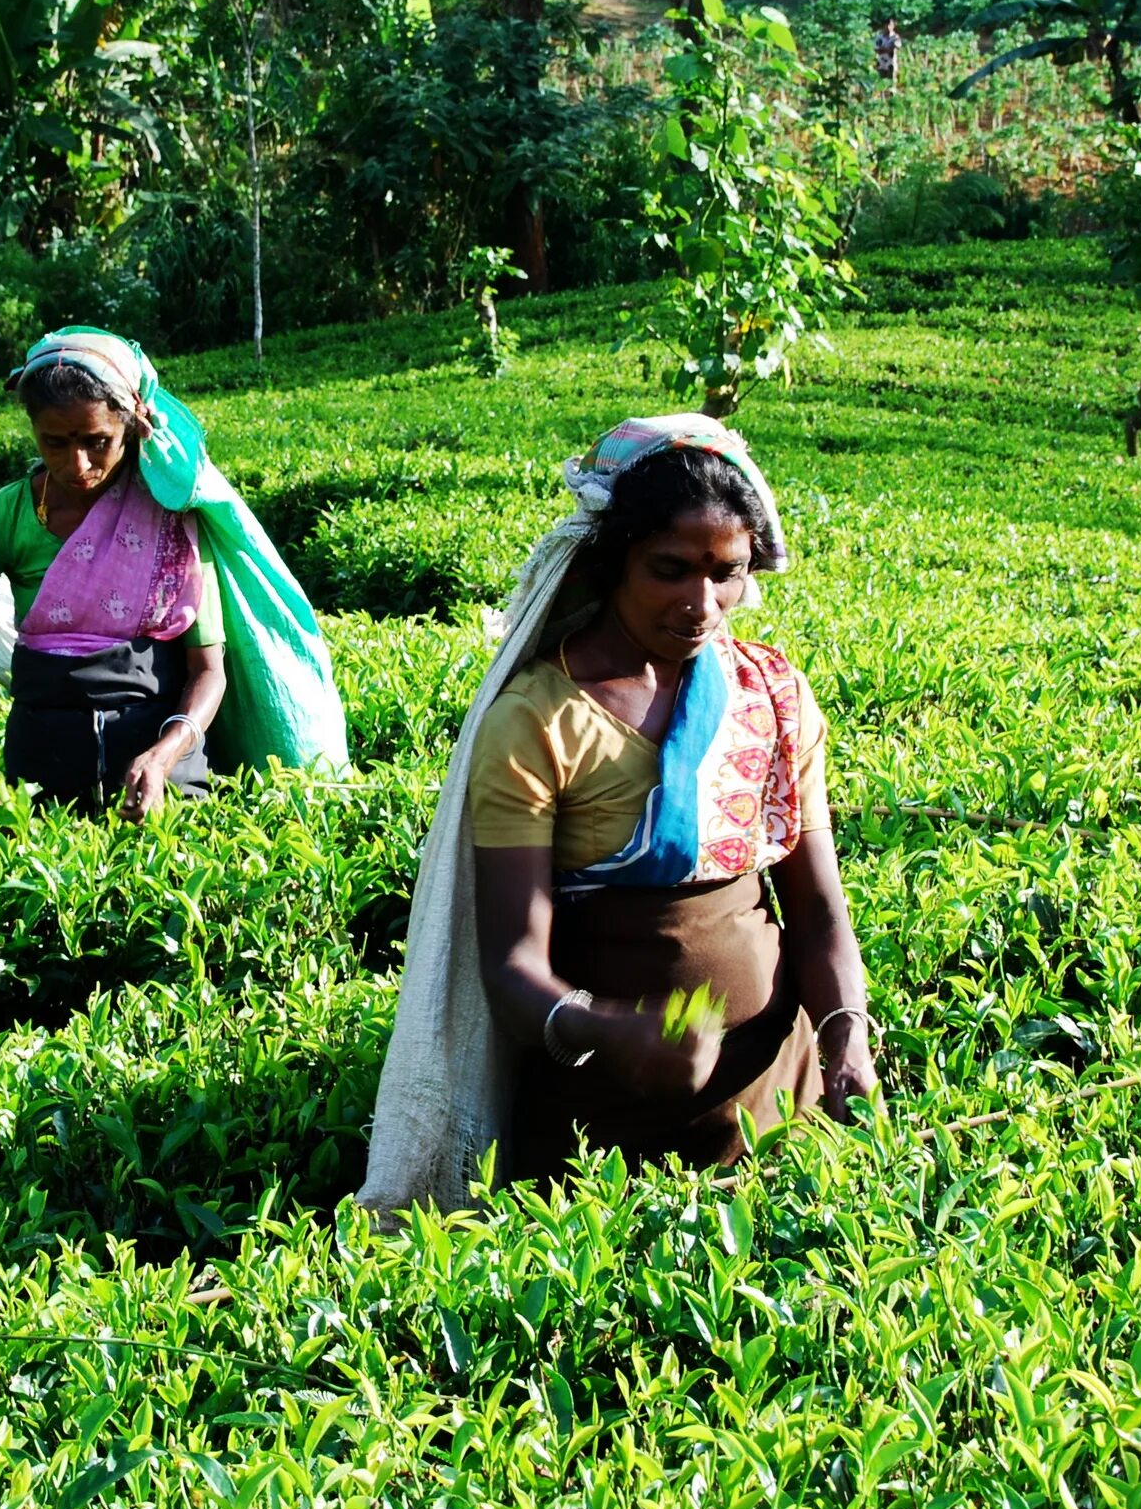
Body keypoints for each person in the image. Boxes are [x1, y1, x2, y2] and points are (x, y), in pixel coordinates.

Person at [361, 416, 879, 1210]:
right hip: (600, 1120)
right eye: (670, 569)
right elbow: (511, 965)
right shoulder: (539, 720)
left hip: (777, 1095)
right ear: (612, 561)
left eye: (726, 573)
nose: (702, 603)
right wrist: (607, 1030)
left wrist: (846, 1034)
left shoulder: (773, 696)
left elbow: (816, 909)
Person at [0, 332, 238, 817]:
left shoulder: (168, 513)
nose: (76, 464)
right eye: (54, 443)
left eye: (97, 442)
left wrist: (164, 758)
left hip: (165, 774)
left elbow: (208, 670)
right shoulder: (8, 517)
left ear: (130, 426)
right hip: (44, 776)